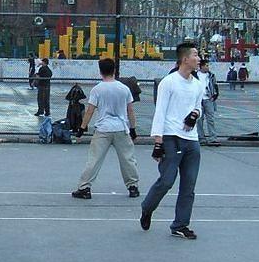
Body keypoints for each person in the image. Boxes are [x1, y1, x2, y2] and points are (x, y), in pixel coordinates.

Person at [140, 42, 204, 240]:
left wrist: (195, 114)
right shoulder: (169, 82)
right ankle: (147, 207)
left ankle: (180, 224)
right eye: (195, 55)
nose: (198, 58)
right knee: (167, 180)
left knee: (189, 184)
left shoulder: (198, 84)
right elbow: (160, 112)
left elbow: (198, 106)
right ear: (185, 59)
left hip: (191, 140)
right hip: (171, 137)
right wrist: (158, 142)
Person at [71, 58, 140, 200]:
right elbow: (130, 111)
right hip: (121, 127)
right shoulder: (124, 88)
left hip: (103, 128)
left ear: (100, 71)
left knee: (94, 159)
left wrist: (82, 128)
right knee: (128, 159)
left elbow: (90, 111)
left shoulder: (97, 89)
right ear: (114, 70)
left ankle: (85, 188)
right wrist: (132, 128)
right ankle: (133, 186)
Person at [198, 58, 220, 146]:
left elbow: (215, 85)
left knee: (210, 118)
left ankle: (212, 138)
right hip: (199, 100)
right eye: (206, 65)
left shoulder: (211, 75)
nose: (208, 67)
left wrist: (215, 95)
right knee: (199, 119)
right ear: (202, 66)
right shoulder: (195, 75)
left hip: (208, 98)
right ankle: (201, 138)